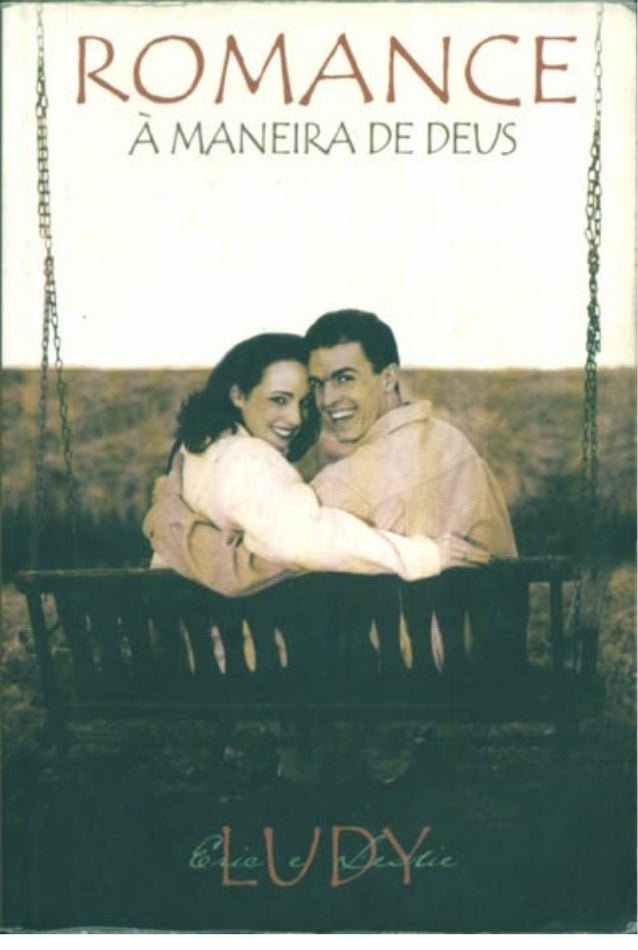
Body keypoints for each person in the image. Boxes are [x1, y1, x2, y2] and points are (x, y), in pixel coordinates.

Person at [147, 331, 488, 592]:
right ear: (238, 394)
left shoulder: (200, 451)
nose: (296, 418)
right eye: (279, 400)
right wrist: (423, 556)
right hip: (248, 652)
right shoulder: (247, 458)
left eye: (304, 403)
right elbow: (302, 536)